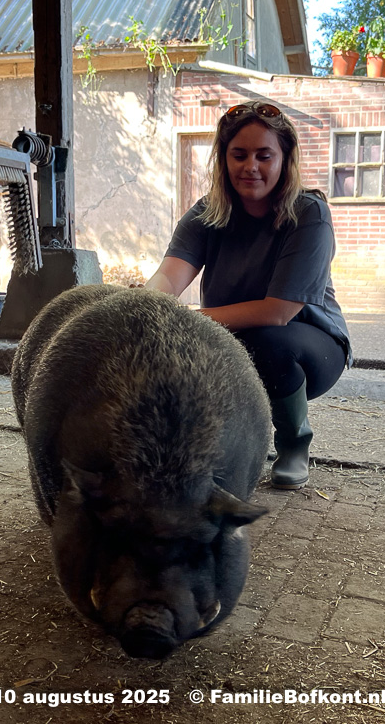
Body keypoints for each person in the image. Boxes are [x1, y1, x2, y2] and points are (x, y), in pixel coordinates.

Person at [144, 101, 353, 490]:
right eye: (239, 155)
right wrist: (146, 307)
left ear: (284, 159)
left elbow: (278, 311)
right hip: (232, 336)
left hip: (309, 347)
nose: (250, 166)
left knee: (266, 342)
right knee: (179, 348)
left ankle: (294, 444)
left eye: (264, 156)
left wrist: (185, 320)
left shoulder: (309, 214)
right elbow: (168, 277)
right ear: (224, 159)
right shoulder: (207, 213)